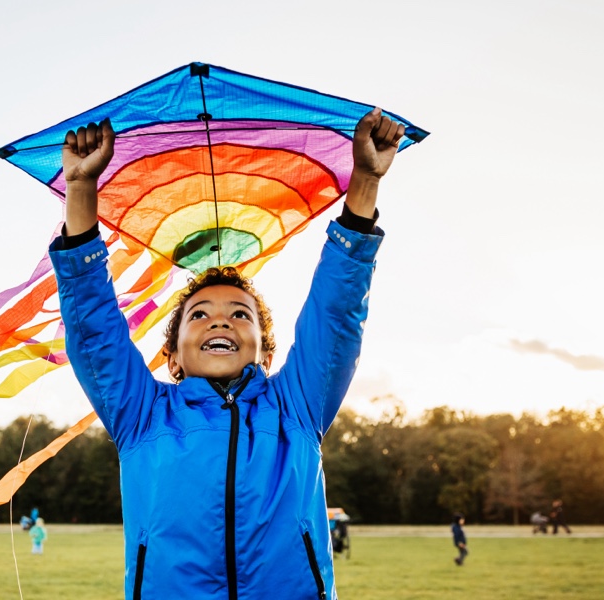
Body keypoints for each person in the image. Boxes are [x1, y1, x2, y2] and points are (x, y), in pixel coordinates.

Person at [49, 107, 404, 599]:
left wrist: (365, 181)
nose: (220, 320)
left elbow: (336, 314)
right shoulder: (141, 416)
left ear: (264, 351)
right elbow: (94, 326)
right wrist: (82, 190)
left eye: (241, 314)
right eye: (199, 314)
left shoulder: (296, 407)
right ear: (172, 357)